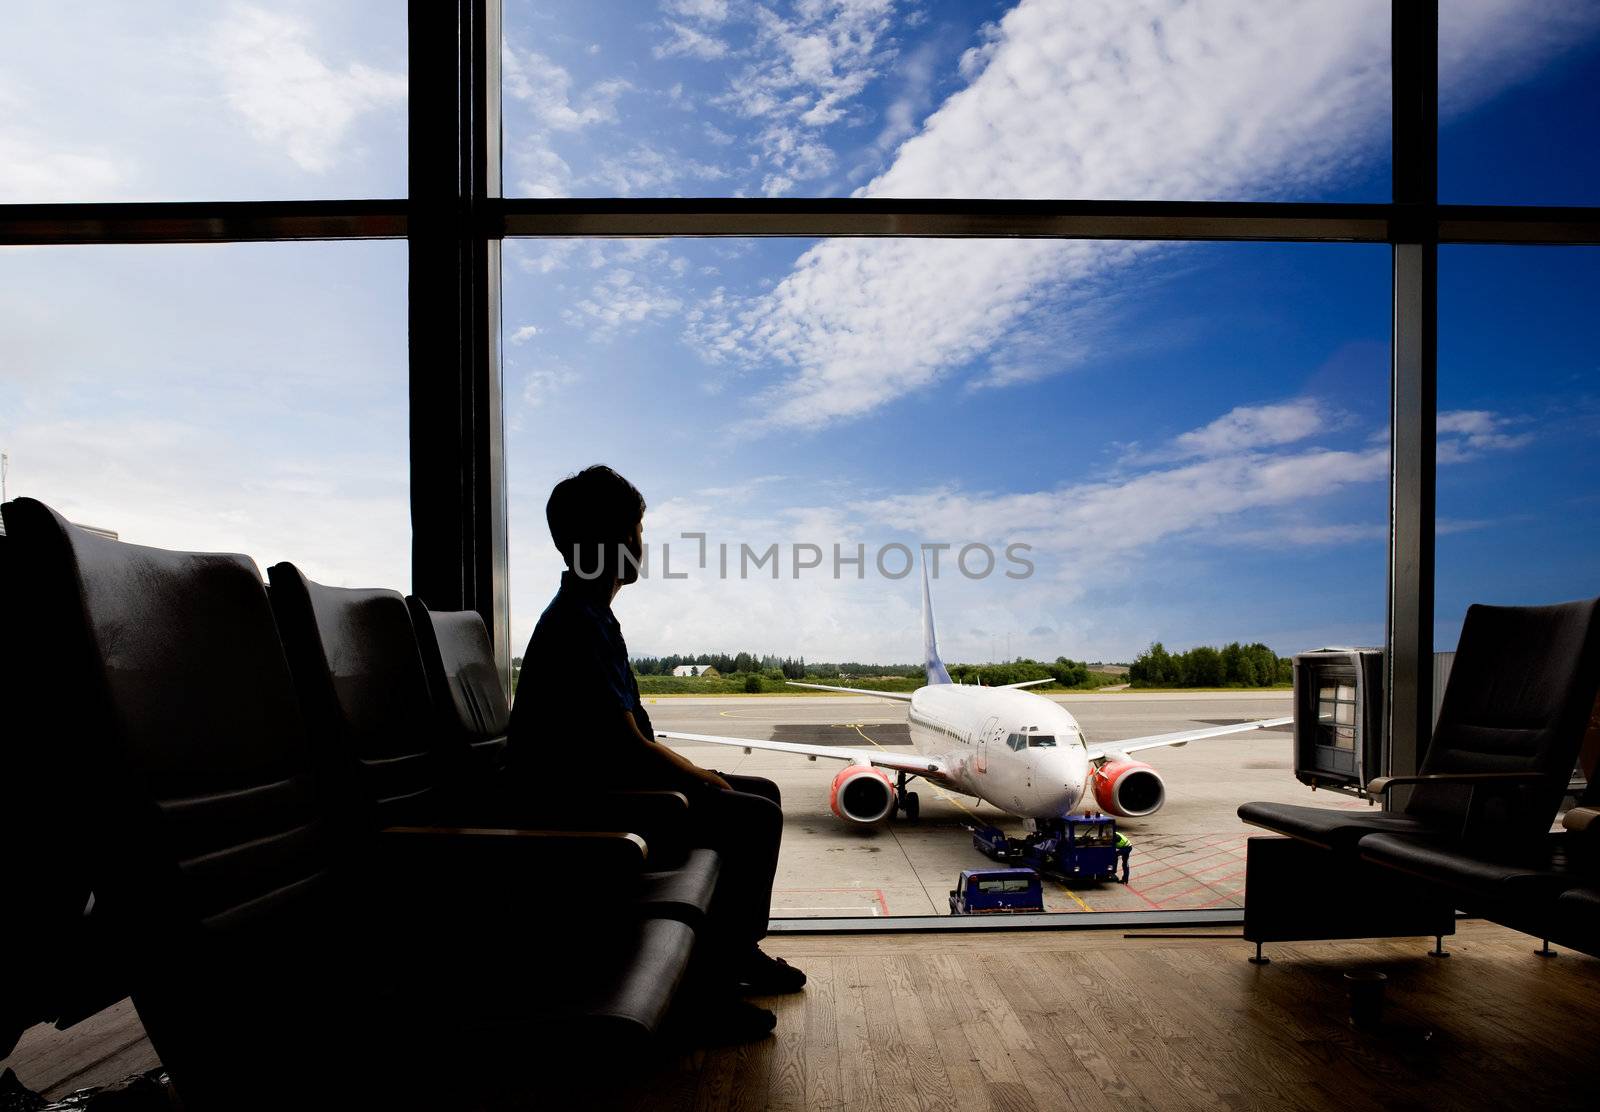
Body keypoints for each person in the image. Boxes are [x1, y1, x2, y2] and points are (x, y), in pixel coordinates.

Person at [508, 465, 804, 1042]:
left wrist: (699, 777)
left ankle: (736, 951)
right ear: (612, 542)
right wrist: (699, 777)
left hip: (605, 786)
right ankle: (704, 989)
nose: (643, 544)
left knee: (759, 792)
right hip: (587, 805)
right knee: (756, 812)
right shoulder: (578, 624)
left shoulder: (586, 614)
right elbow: (625, 744)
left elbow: (622, 740)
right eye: (637, 530)